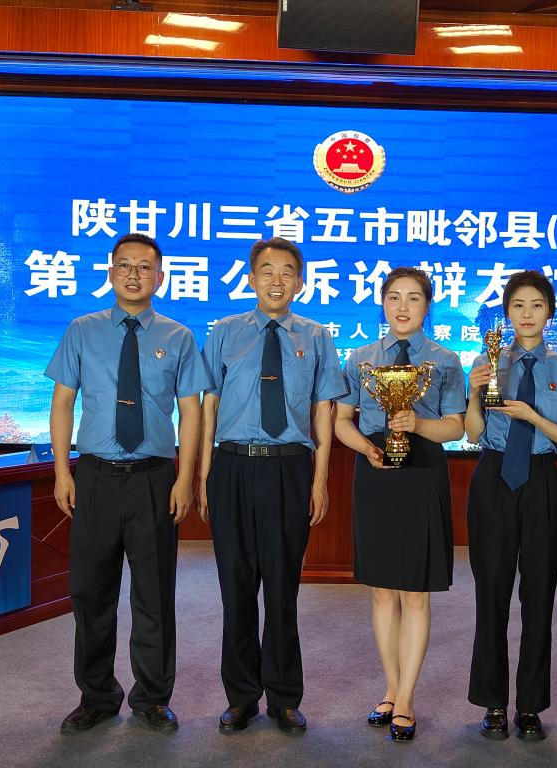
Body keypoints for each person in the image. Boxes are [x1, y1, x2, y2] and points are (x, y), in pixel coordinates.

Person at [47, 232, 208, 734]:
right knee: (91, 593)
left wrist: (184, 478)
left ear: (160, 277)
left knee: (154, 595)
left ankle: (153, 697)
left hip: (153, 480)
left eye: (145, 267)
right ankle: (96, 695)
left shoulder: (179, 337)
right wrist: (62, 471)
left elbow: (191, 412)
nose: (134, 275)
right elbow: (62, 403)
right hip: (94, 476)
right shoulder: (82, 330)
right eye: (125, 265)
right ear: (111, 272)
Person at [198, 236, 345, 735]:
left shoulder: (316, 336)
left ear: (300, 282)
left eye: (286, 272)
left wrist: (319, 480)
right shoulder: (225, 332)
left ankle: (284, 697)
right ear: (251, 278)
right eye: (267, 271)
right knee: (236, 587)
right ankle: (241, 697)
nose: (276, 280)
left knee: (283, 589)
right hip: (233, 467)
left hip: (289, 467)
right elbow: (208, 407)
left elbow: (323, 411)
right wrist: (204, 476)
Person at [334, 266, 465, 742]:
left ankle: (406, 698)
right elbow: (341, 421)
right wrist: (367, 449)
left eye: (413, 298)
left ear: (427, 306)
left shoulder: (445, 360)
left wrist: (418, 425)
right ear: (383, 303)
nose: (403, 306)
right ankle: (391, 689)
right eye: (394, 297)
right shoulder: (361, 358)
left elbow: (457, 426)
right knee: (382, 592)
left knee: (414, 593)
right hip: (376, 470)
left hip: (423, 472)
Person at [463, 270, 557, 741]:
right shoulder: (487, 361)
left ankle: (530, 706)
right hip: (492, 476)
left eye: (536, 305)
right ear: (507, 313)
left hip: (541, 479)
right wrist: (474, 392)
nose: (527, 314)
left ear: (549, 313)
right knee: (491, 594)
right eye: (518, 306)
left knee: (538, 598)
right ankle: (493, 703)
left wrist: (532, 416)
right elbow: (472, 433)